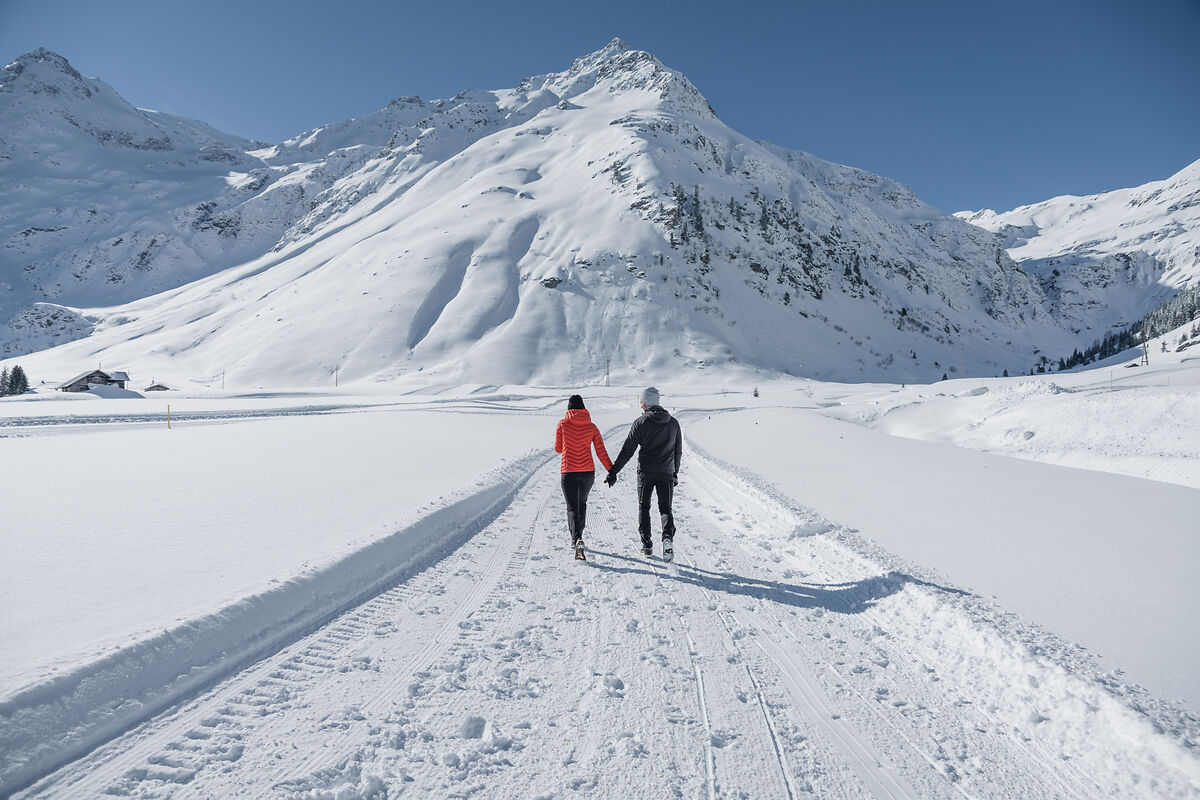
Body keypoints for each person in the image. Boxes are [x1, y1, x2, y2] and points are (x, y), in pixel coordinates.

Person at [604, 387, 682, 560]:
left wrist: (613, 471)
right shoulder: (674, 423)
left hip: (645, 473)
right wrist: (674, 472)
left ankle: (647, 546)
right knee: (665, 508)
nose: (640, 405)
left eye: (641, 401)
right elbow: (678, 451)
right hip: (666, 473)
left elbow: (627, 450)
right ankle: (667, 537)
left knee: (644, 507)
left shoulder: (641, 422)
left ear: (647, 402)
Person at [554, 394, 613, 561]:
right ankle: (579, 535)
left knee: (572, 507)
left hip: (569, 471)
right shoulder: (592, 427)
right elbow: (601, 451)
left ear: (569, 409)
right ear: (583, 408)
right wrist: (611, 470)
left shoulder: (563, 424)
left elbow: (558, 448)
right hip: (588, 472)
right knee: (582, 504)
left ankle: (576, 539)